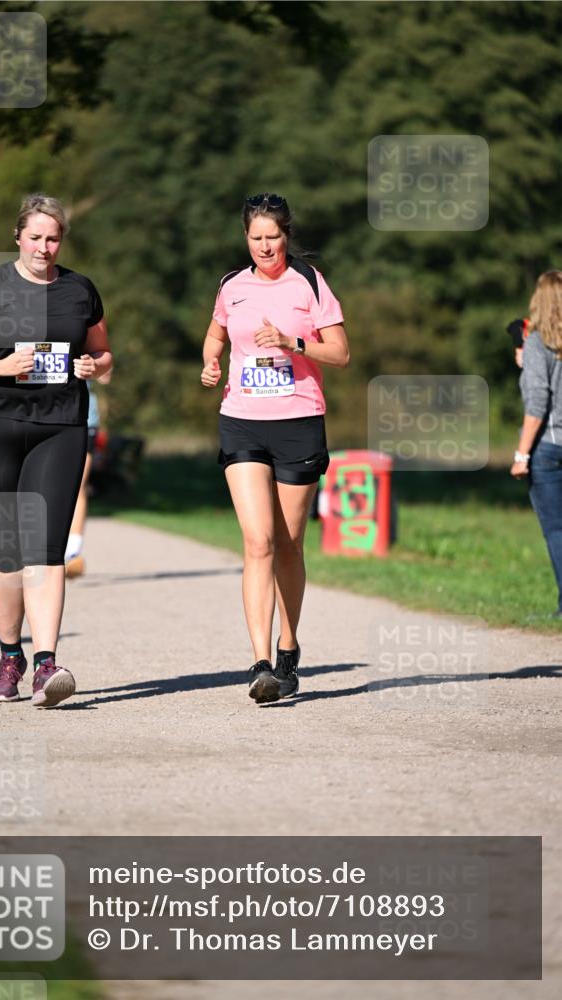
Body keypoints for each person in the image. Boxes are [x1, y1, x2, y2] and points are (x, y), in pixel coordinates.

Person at [0, 193, 112, 706]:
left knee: (47, 547)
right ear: (18, 236)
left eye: (53, 237)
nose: (44, 246)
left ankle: (46, 664)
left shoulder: (80, 290)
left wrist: (94, 367)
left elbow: (103, 351)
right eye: (35, 237)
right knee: (8, 550)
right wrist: (2, 367)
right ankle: (9, 654)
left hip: (60, 426)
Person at [201, 192, 350, 704]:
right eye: (256, 238)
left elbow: (342, 353)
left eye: (274, 237)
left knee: (288, 543)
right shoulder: (231, 285)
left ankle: (289, 649)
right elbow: (215, 335)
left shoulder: (307, 282)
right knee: (258, 540)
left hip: (298, 422)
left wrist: (294, 344)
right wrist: (211, 363)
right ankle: (260, 663)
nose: (266, 246)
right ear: (245, 237)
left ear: (287, 235)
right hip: (241, 421)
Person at [510, 270, 562, 618]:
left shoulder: (537, 344)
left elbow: (537, 405)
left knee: (558, 531)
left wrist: (521, 455)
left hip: (550, 446)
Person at [65, 370, 112, 579]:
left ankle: (73, 553)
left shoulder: (85, 335)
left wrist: (91, 364)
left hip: (85, 419)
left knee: (77, 485)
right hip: (45, 416)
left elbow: (105, 375)